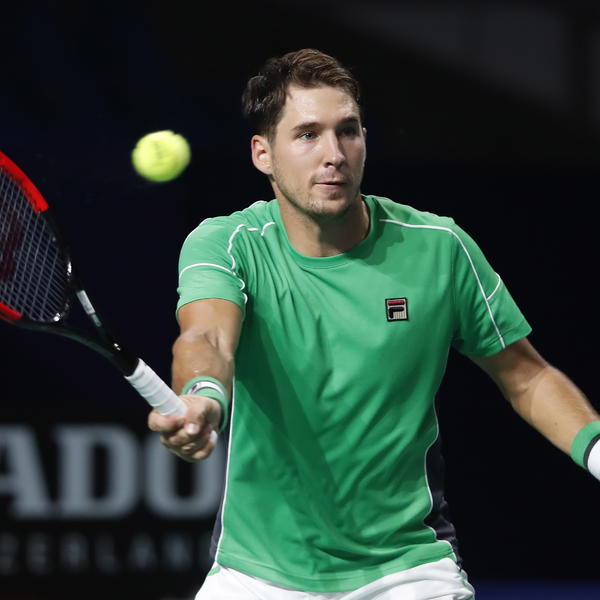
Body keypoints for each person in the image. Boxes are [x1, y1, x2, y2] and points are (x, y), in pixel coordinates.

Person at [148, 49, 600, 600]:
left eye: (348, 131)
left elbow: (526, 376)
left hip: (408, 569)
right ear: (262, 153)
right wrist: (202, 396)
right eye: (308, 135)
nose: (334, 155)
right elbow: (207, 336)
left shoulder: (439, 248)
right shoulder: (227, 243)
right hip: (256, 573)